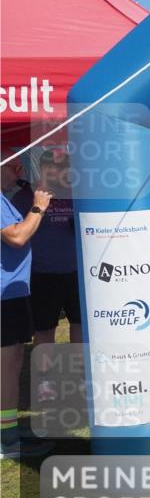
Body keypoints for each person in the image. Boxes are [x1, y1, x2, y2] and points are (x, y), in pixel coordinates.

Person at [20, 150, 83, 403]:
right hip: (42, 272)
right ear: (43, 168)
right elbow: (17, 230)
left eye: (63, 166)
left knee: (80, 325)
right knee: (45, 329)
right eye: (53, 166)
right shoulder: (28, 195)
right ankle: (45, 381)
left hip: (76, 271)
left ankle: (81, 377)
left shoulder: (75, 194)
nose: (59, 171)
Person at [1, 168, 52, 459]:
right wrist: (38, 207)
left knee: (12, 361)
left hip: (13, 292)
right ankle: (6, 440)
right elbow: (17, 236)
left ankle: (8, 430)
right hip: (4, 294)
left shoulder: (4, 199)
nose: (19, 172)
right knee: (6, 366)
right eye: (13, 166)